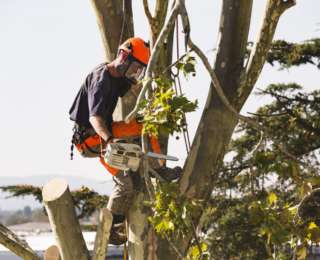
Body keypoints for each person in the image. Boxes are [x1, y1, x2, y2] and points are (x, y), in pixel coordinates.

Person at [69, 37, 182, 244]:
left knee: (146, 125)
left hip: (106, 132)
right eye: (135, 67)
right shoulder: (101, 79)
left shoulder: (118, 76)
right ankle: (111, 230)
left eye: (139, 69)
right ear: (123, 57)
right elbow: (95, 118)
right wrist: (110, 139)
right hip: (91, 139)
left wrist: (158, 105)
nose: (135, 72)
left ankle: (158, 168)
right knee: (126, 183)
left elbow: (136, 88)